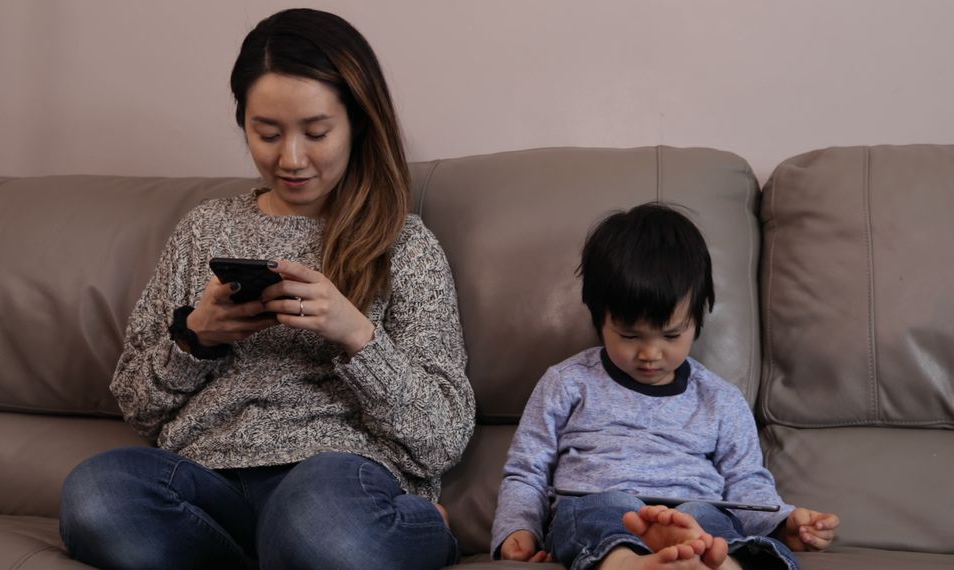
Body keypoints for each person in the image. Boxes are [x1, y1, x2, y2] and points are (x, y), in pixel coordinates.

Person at [59, 8, 475, 570]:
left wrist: (357, 335)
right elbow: (136, 405)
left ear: (357, 122)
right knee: (97, 494)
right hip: (208, 483)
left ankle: (412, 532)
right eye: (267, 133)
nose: (291, 158)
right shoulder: (202, 229)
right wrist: (195, 339)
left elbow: (443, 437)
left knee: (318, 523)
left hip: (334, 479)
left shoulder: (403, 245)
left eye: (317, 132)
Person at [490, 203, 839, 569]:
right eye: (629, 335)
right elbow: (526, 470)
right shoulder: (567, 382)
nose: (650, 353)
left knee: (711, 517)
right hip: (601, 503)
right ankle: (627, 562)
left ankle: (718, 561)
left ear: (697, 318)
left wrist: (783, 523)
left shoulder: (720, 399)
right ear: (598, 318)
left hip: (694, 512)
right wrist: (518, 527)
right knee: (596, 510)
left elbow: (746, 483)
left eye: (672, 334)